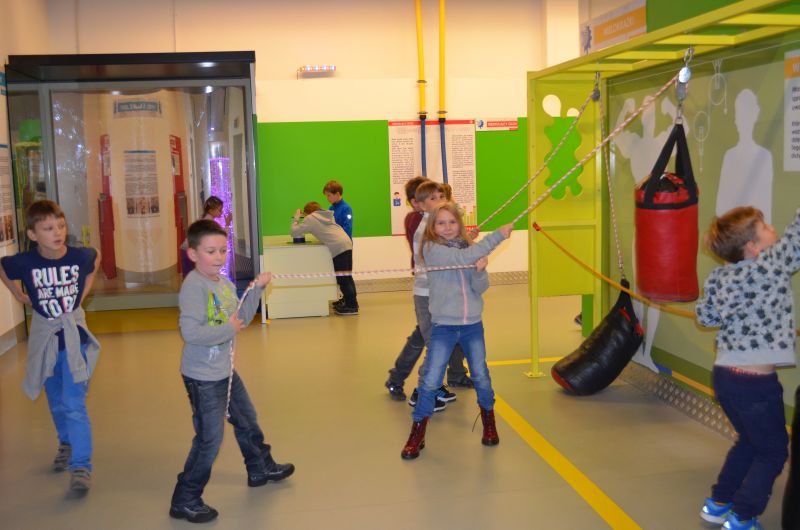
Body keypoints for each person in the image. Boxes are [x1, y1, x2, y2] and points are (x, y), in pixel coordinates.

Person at [170, 220, 294, 524]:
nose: (218, 256)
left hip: (224, 371)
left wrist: (257, 289)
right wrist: (227, 329)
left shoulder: (224, 284)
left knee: (247, 419)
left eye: (222, 250)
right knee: (209, 439)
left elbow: (242, 318)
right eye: (210, 251)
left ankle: (259, 467)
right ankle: (185, 498)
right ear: (193, 254)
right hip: (202, 377)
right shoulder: (194, 286)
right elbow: (190, 332)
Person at [695, 206, 800, 530]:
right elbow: (796, 239)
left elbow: (705, 317)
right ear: (753, 247)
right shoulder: (771, 265)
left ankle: (718, 503)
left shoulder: (719, 276)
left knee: (750, 441)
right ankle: (742, 516)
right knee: (773, 452)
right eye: (765, 226)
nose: (773, 228)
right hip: (755, 384)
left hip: (725, 377)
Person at [0, 200, 102, 491]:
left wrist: (84, 292)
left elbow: (95, 257)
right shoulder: (26, 262)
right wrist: (18, 294)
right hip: (46, 341)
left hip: (74, 341)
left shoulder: (78, 256)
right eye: (48, 228)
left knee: (73, 403)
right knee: (56, 401)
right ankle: (66, 443)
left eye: (60, 226)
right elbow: (3, 266)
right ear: (33, 235)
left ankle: (81, 466)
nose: (57, 232)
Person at [401, 202, 513, 459]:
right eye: (441, 223)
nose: (447, 227)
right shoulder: (432, 249)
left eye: (452, 222)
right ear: (433, 226)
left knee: (481, 376)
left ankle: (489, 422)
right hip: (444, 326)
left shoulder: (468, 249)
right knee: (431, 380)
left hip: (472, 325)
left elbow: (480, 287)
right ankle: (417, 433)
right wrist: (497, 236)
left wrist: (480, 271)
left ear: (459, 224)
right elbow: (461, 259)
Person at [385, 179, 472, 406]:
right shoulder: (420, 222)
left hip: (441, 291)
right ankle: (421, 389)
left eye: (442, 196)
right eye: (432, 198)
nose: (440, 201)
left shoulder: (434, 221)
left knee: (436, 337)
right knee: (436, 344)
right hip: (428, 292)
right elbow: (447, 248)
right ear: (418, 204)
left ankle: (441, 380)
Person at [292, 201, 359, 315]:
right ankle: (350, 302)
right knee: (347, 277)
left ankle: (351, 307)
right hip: (346, 243)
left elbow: (294, 232)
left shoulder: (311, 218)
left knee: (343, 279)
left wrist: (296, 218)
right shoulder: (327, 215)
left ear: (307, 212)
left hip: (338, 247)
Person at [181, 196, 232, 278]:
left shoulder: (204, 218)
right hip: (189, 252)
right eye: (219, 210)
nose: (221, 212)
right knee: (194, 278)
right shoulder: (208, 222)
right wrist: (227, 224)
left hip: (187, 251)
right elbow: (221, 237)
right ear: (211, 210)